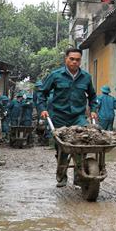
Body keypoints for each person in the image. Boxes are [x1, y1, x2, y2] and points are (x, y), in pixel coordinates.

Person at [37, 48, 99, 187]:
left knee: (80, 145)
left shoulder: (86, 77)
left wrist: (93, 110)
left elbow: (93, 96)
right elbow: (42, 93)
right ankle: (61, 175)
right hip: (59, 116)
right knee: (62, 148)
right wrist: (42, 109)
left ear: (80, 61)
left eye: (77, 59)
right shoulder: (55, 75)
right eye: (71, 59)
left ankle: (79, 176)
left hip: (78, 117)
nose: (74, 62)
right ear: (66, 59)